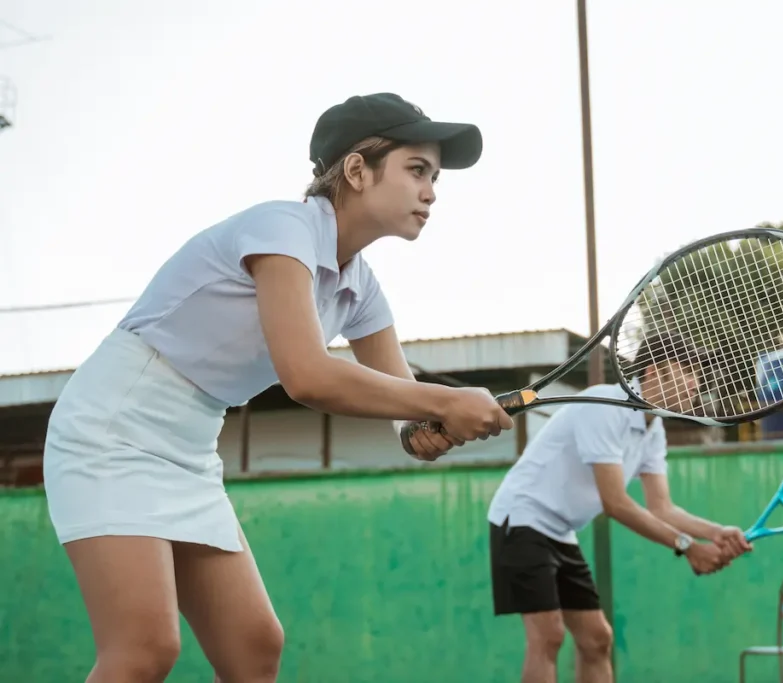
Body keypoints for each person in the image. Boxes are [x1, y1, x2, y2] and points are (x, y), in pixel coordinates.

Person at [42, 93, 514, 683]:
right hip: (111, 428)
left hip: (189, 447)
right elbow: (308, 375)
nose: (432, 191)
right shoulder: (282, 228)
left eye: (435, 177)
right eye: (417, 170)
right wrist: (445, 401)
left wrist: (423, 432)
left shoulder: (361, 287)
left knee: (254, 647)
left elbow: (401, 401)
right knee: (143, 649)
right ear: (357, 170)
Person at [486, 332, 754, 683]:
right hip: (520, 518)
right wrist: (688, 547)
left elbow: (663, 508)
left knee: (597, 639)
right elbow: (616, 503)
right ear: (658, 372)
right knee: (548, 636)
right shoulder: (604, 406)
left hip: (560, 531)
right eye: (688, 370)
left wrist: (716, 532)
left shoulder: (652, 429)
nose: (696, 382)